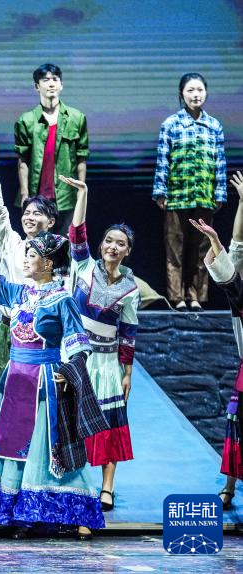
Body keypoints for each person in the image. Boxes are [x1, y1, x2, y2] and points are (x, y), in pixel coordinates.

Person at [0, 223, 106, 540]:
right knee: (12, 447)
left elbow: (79, 344)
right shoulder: (20, 293)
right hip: (16, 382)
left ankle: (78, 512)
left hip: (44, 384)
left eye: (31, 255)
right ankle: (17, 514)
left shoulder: (62, 300)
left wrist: (69, 371)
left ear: (48, 263)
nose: (26, 260)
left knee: (49, 449)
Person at [0, 135, 58, 492]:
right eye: (28, 212)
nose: (30, 217)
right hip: (9, 329)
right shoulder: (12, 244)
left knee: (37, 403)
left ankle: (34, 470)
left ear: (51, 221)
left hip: (44, 337)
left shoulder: (59, 257)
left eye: (38, 213)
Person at [64, 174, 140, 512]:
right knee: (71, 419)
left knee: (109, 423)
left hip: (108, 363)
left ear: (127, 251)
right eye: (108, 240)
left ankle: (107, 487)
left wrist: (127, 373)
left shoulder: (131, 290)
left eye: (120, 243)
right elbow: (77, 233)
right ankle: (74, 481)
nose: (112, 246)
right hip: (77, 356)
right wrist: (83, 194)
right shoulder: (83, 266)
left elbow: (129, 334)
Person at [189, 170, 243, 511]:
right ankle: (229, 487)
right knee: (237, 427)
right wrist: (216, 242)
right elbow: (234, 253)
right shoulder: (241, 297)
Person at [153, 73, 227, 312]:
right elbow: (163, 160)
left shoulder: (214, 125)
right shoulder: (171, 124)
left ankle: (195, 296)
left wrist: (220, 193)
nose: (196, 95)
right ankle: (177, 297)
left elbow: (220, 162)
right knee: (175, 248)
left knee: (202, 248)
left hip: (204, 195)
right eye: (190, 90)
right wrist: (160, 191)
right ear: (181, 94)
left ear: (206, 92)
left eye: (200, 90)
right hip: (177, 196)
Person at [14, 63, 89, 233]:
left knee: (66, 243)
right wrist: (25, 193)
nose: (51, 84)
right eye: (45, 80)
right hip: (37, 198)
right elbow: (22, 160)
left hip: (66, 197)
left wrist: (80, 191)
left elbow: (81, 158)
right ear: (37, 86)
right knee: (37, 244)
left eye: (55, 79)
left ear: (61, 85)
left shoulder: (77, 118)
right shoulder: (26, 120)